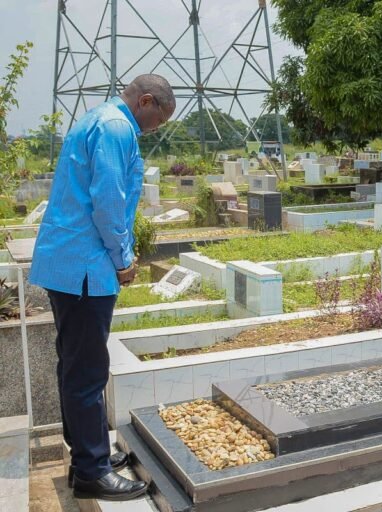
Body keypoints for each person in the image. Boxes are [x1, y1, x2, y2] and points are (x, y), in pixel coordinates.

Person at [29, 74, 175, 501]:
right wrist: (123, 259)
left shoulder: (100, 119)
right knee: (88, 370)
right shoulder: (115, 127)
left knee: (76, 365)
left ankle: (86, 456)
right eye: (159, 120)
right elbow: (109, 202)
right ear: (145, 101)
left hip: (70, 263)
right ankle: (92, 471)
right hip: (85, 267)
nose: (155, 129)